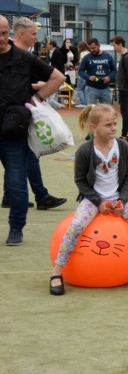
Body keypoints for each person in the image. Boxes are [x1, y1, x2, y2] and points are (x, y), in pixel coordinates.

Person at [48, 104, 128, 295]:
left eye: (114, 124)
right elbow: (80, 181)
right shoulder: (85, 151)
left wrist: (122, 200)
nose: (113, 128)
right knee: (77, 225)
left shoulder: (122, 146)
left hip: (119, 199)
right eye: (108, 125)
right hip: (93, 200)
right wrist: (98, 202)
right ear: (94, 127)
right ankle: (57, 272)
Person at [0, 15, 65, 246]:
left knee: (17, 183)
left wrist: (37, 98)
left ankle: (16, 228)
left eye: (4, 33)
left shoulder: (24, 59)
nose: (1, 38)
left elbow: (57, 78)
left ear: (10, 33)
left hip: (14, 132)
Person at [110, 35, 128, 143]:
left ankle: (125, 134)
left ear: (120, 44)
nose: (114, 48)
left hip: (124, 88)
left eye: (115, 45)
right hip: (124, 87)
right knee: (126, 111)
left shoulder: (127, 58)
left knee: (125, 111)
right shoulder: (125, 57)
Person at [78, 38, 117, 105]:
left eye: (93, 48)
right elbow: (80, 71)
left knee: (107, 109)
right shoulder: (87, 57)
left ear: (98, 45)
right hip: (91, 88)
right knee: (91, 109)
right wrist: (89, 77)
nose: (92, 50)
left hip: (105, 88)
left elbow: (114, 70)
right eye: (90, 48)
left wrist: (109, 77)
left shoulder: (108, 56)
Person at [75, 41, 89, 108]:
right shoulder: (89, 53)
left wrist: (78, 67)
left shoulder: (83, 53)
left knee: (79, 88)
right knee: (84, 88)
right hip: (87, 73)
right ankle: (86, 102)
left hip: (83, 72)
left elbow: (83, 63)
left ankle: (83, 102)